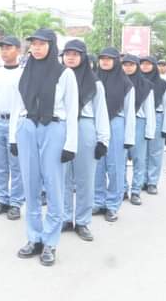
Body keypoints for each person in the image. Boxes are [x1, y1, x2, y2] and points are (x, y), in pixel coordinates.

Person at [9, 29, 78, 267]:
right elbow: (17, 105)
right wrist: (13, 138)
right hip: (27, 127)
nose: (36, 48)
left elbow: (72, 110)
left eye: (42, 44)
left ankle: (50, 241)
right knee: (30, 184)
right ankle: (34, 237)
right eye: (34, 44)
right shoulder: (24, 71)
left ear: (52, 45)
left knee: (53, 184)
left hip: (54, 128)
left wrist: (70, 144)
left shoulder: (65, 73)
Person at [60, 40, 110, 242]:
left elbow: (101, 112)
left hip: (85, 127)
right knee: (62, 176)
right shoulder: (57, 78)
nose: (71, 57)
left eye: (75, 54)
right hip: (61, 128)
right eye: (67, 53)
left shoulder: (94, 83)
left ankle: (82, 221)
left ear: (83, 57)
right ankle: (64, 217)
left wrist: (103, 140)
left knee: (85, 178)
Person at [92, 47, 135, 222]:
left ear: (116, 61)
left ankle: (112, 205)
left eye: (109, 58)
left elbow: (130, 112)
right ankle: (98, 201)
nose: (105, 61)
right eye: (102, 58)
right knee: (97, 166)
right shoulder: (92, 79)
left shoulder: (126, 83)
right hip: (95, 124)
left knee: (115, 166)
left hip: (116, 123)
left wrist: (129, 138)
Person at [0, 35, 24, 221]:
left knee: (16, 164)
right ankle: (2, 199)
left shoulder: (24, 73)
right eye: (2, 48)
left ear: (18, 50)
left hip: (16, 123)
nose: (4, 51)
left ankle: (16, 202)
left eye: (8, 48)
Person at [121, 54, 156, 206]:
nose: (128, 67)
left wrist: (149, 131)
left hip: (139, 123)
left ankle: (135, 191)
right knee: (120, 158)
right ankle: (122, 188)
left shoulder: (146, 85)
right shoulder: (118, 82)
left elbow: (149, 109)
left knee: (139, 159)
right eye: (125, 64)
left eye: (131, 64)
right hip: (121, 122)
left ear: (137, 66)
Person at [138, 56, 166, 195]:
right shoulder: (136, 81)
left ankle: (152, 182)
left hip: (157, 116)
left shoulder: (162, 84)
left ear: (154, 66)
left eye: (148, 64)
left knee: (155, 152)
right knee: (141, 152)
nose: (145, 66)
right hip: (141, 117)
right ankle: (141, 180)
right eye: (142, 64)